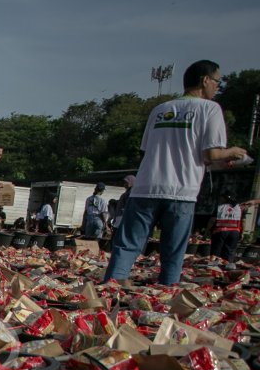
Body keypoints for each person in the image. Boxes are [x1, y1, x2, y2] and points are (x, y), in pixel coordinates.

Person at [104, 61, 249, 285]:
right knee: (172, 253)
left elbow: (147, 153)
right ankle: (164, 298)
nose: (217, 88)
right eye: (217, 82)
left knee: (126, 246)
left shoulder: (160, 110)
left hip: (145, 188)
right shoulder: (210, 109)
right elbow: (210, 155)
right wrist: (233, 152)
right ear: (205, 80)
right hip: (181, 191)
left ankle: (107, 293)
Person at [209, 192, 243, 261]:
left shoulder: (220, 207)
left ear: (225, 198)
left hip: (220, 232)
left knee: (216, 251)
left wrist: (207, 232)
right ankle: (226, 268)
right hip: (234, 233)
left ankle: (213, 267)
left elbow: (212, 220)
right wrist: (242, 233)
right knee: (229, 251)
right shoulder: (238, 207)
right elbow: (243, 221)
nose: (220, 199)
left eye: (221, 197)